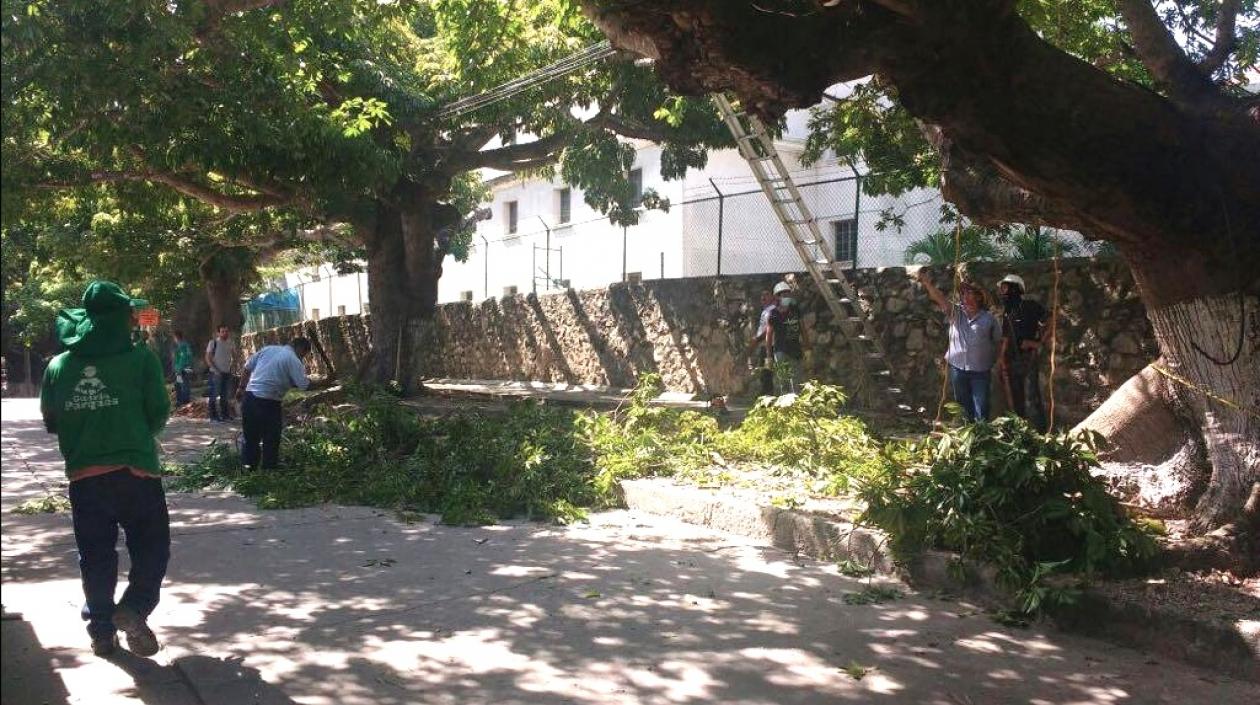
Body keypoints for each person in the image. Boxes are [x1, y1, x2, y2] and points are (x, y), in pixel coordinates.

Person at [39, 281, 172, 658]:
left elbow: (51, 420)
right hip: (137, 474)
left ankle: (101, 633)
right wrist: (132, 430)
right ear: (121, 318)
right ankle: (133, 609)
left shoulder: (58, 365)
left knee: (95, 557)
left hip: (85, 480)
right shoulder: (141, 358)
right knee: (152, 549)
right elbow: (159, 412)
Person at [916, 268, 1001, 422]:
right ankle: (966, 435)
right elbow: (939, 298)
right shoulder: (956, 313)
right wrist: (927, 283)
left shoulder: (989, 319)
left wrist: (996, 362)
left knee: (981, 407)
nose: (965, 297)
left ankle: (981, 437)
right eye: (963, 294)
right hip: (958, 370)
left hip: (980, 372)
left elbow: (997, 342)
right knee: (963, 407)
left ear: (978, 298)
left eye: (969, 293)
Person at [235, 337, 313, 470]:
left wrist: (241, 388)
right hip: (269, 403)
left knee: (250, 437)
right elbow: (304, 385)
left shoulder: (268, 349)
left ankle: (248, 469)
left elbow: (247, 367)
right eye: (304, 354)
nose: (302, 357)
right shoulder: (293, 360)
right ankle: (268, 470)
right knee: (271, 438)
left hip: (250, 397)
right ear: (301, 349)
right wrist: (326, 381)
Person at [996, 274, 1049, 431]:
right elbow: (1006, 337)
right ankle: (1022, 432)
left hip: (1028, 358)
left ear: (1015, 288)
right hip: (1012, 359)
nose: (1003, 292)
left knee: (1033, 397)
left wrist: (1038, 343)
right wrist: (1001, 359)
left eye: (1005, 288)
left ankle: (1041, 433)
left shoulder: (1031, 306)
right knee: (1016, 398)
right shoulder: (1007, 312)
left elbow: (1051, 319)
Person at [766, 280, 807, 395]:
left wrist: (808, 348)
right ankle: (784, 407)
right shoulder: (773, 314)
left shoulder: (795, 310)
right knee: (782, 382)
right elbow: (769, 336)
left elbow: (803, 329)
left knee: (796, 381)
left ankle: (796, 407)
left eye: (787, 294)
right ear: (777, 297)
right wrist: (768, 356)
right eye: (783, 294)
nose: (786, 296)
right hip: (780, 350)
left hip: (795, 349)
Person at [204, 324, 240, 422]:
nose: (225, 333)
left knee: (225, 395)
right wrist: (215, 370)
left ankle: (225, 415)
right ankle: (213, 417)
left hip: (227, 372)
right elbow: (208, 357)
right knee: (214, 395)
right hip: (215, 373)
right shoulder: (213, 343)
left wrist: (233, 366)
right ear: (218, 333)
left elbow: (235, 356)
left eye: (226, 331)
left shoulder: (230, 343)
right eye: (223, 331)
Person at [749, 289, 777, 396]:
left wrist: (757, 339)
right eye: (762, 295)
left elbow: (769, 329)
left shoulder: (772, 310)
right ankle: (766, 393)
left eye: (766, 295)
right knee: (764, 370)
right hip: (764, 345)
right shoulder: (765, 311)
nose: (763, 298)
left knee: (767, 370)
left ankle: (767, 394)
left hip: (770, 345)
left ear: (772, 297)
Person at [171, 330, 193, 406]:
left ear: (176, 337)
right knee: (185, 383)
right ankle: (185, 400)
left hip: (182, 368)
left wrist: (179, 369)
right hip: (187, 367)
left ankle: (183, 401)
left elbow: (182, 358)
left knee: (180, 384)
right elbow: (189, 356)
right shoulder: (186, 345)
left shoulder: (181, 346)